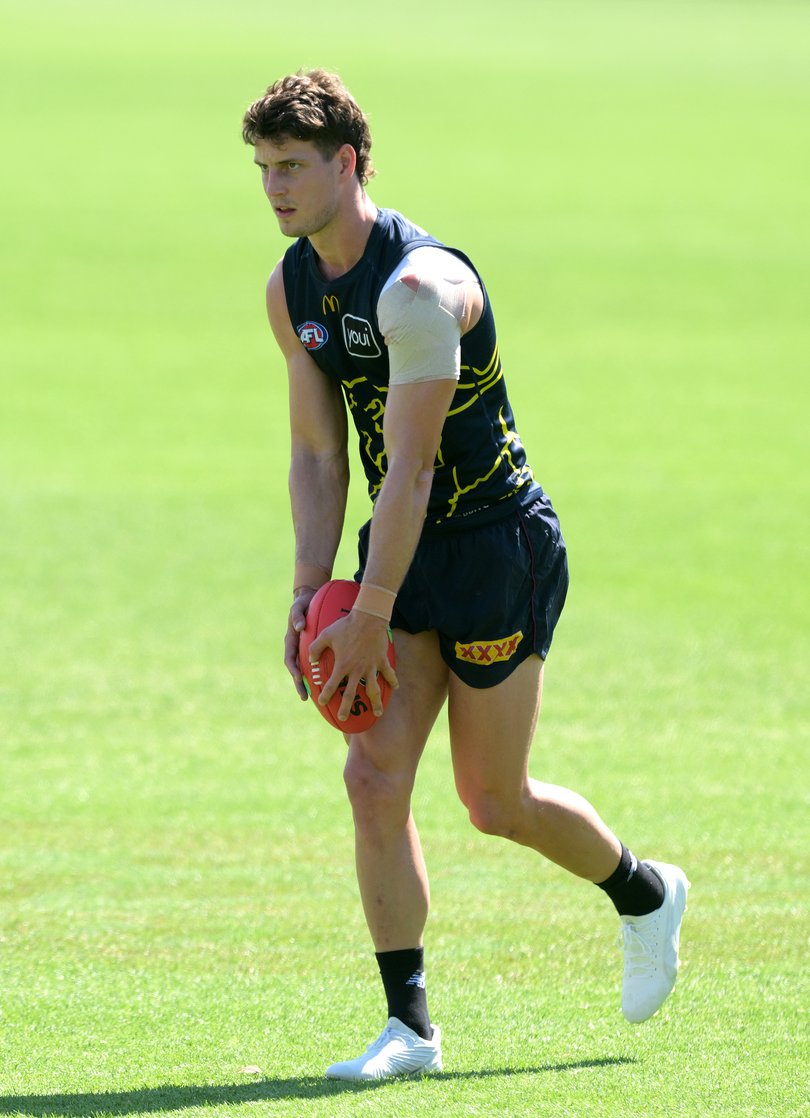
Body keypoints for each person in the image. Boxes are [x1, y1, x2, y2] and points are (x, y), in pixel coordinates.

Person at [242, 69, 690, 1082]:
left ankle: (645, 893)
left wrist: (374, 610)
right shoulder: (292, 288)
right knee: (370, 777)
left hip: (494, 547)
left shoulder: (419, 291)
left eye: (293, 168)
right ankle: (410, 1026)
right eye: (263, 169)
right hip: (402, 551)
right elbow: (319, 455)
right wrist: (313, 591)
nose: (274, 188)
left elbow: (412, 467)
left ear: (349, 163)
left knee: (495, 798)